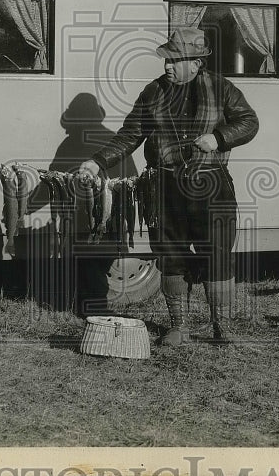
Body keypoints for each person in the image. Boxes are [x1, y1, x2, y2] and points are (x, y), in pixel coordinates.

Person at [79, 26, 259, 345]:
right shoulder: (153, 92)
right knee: (170, 255)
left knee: (216, 254)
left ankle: (222, 328)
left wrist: (218, 138)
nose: (167, 65)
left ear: (196, 62)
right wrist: (98, 161)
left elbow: (248, 122)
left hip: (211, 185)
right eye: (166, 59)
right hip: (164, 186)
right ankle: (179, 327)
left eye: (175, 60)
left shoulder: (222, 89)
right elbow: (130, 134)